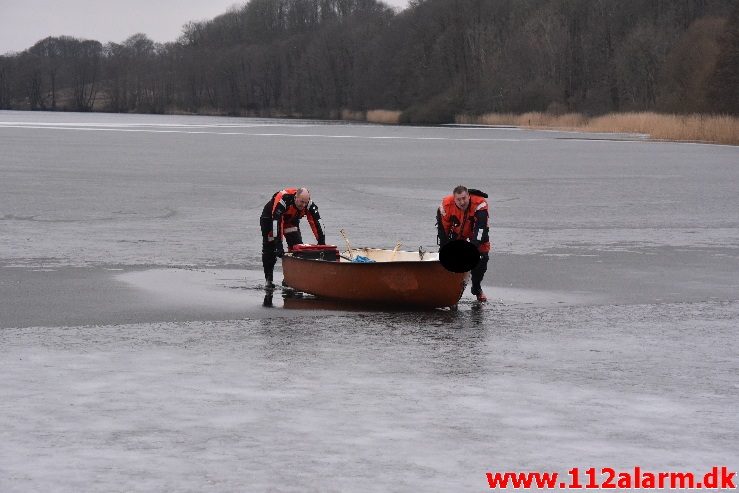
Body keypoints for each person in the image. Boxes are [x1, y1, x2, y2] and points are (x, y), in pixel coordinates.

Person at [260, 187, 325, 287]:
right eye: (301, 202)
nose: (303, 205)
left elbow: (317, 223)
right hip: (270, 219)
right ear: (295, 197)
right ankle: (269, 280)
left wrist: (322, 243)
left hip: (290, 221)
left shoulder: (308, 205)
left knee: (297, 248)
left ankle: (290, 280)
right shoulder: (283, 199)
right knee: (270, 250)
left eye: (305, 203)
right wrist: (279, 245)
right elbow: (276, 222)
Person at [437, 185, 491, 302]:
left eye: (464, 198)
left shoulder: (480, 204)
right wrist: (445, 248)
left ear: (468, 196)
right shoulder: (445, 205)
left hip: (475, 232)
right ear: (454, 199)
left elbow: (481, 229)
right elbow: (443, 230)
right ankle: (451, 293)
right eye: (458, 199)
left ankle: (476, 288)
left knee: (482, 260)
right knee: (449, 259)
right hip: (457, 232)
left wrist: (471, 250)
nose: (462, 202)